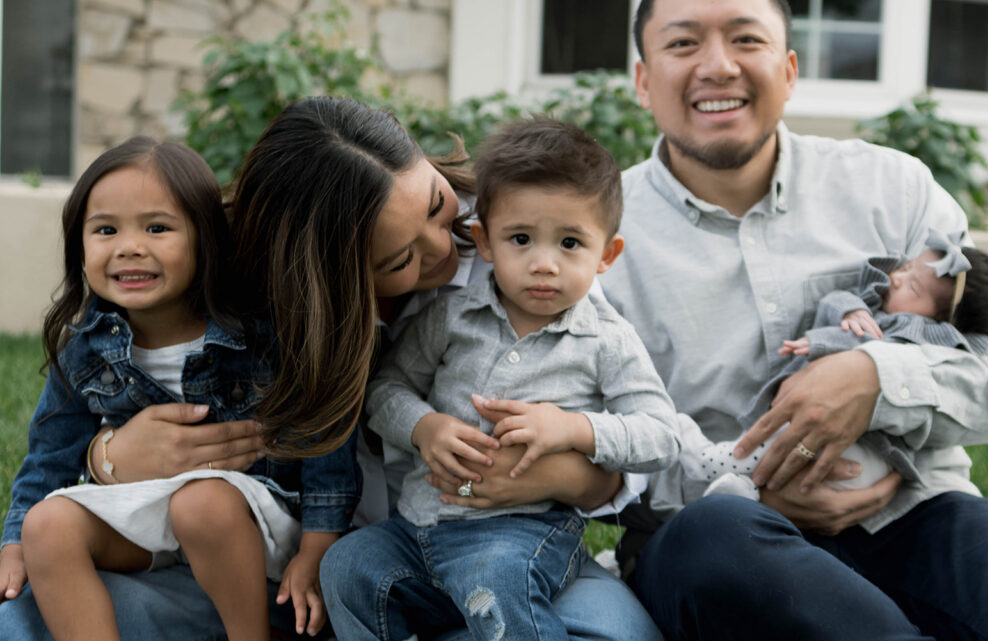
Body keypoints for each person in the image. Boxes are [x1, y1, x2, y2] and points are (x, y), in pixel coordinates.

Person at [0, 99, 663, 641]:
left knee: (610, 632)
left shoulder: (519, 247)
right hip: (309, 574)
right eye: (398, 256)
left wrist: (568, 470)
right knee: (21, 620)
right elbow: (96, 395)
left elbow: (627, 446)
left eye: (434, 203)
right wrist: (108, 453)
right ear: (328, 282)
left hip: (501, 548)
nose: (445, 246)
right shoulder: (248, 304)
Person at [598, 0, 988, 641]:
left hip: (912, 511)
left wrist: (876, 377)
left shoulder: (896, 188)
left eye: (746, 39)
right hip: (717, 535)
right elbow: (592, 450)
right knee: (717, 540)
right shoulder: (596, 238)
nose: (718, 65)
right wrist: (749, 479)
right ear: (644, 81)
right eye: (683, 44)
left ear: (788, 70)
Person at [327, 119, 690, 640]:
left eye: (570, 243)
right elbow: (385, 390)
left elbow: (662, 434)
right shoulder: (452, 319)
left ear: (606, 256)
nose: (544, 265)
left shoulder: (605, 340)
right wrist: (423, 426)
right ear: (487, 241)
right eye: (521, 239)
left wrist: (572, 429)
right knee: (347, 565)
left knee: (495, 581)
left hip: (524, 531)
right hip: (416, 527)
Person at [0, 137, 359, 641]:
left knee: (200, 503)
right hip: (147, 510)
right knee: (47, 525)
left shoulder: (257, 335)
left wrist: (319, 544)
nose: (129, 246)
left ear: (204, 240)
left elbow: (321, 437)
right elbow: (49, 456)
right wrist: (14, 541)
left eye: (157, 227)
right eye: (105, 229)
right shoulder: (86, 347)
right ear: (78, 246)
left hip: (251, 518)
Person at [665, 234, 988, 502]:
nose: (897, 278)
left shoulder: (910, 335)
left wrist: (818, 343)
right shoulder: (880, 304)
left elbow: (860, 349)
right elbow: (841, 303)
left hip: (866, 454)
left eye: (914, 286)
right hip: (847, 451)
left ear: (937, 321)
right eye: (906, 268)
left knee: (777, 446)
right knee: (783, 449)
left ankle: (709, 462)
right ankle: (741, 492)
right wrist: (850, 312)